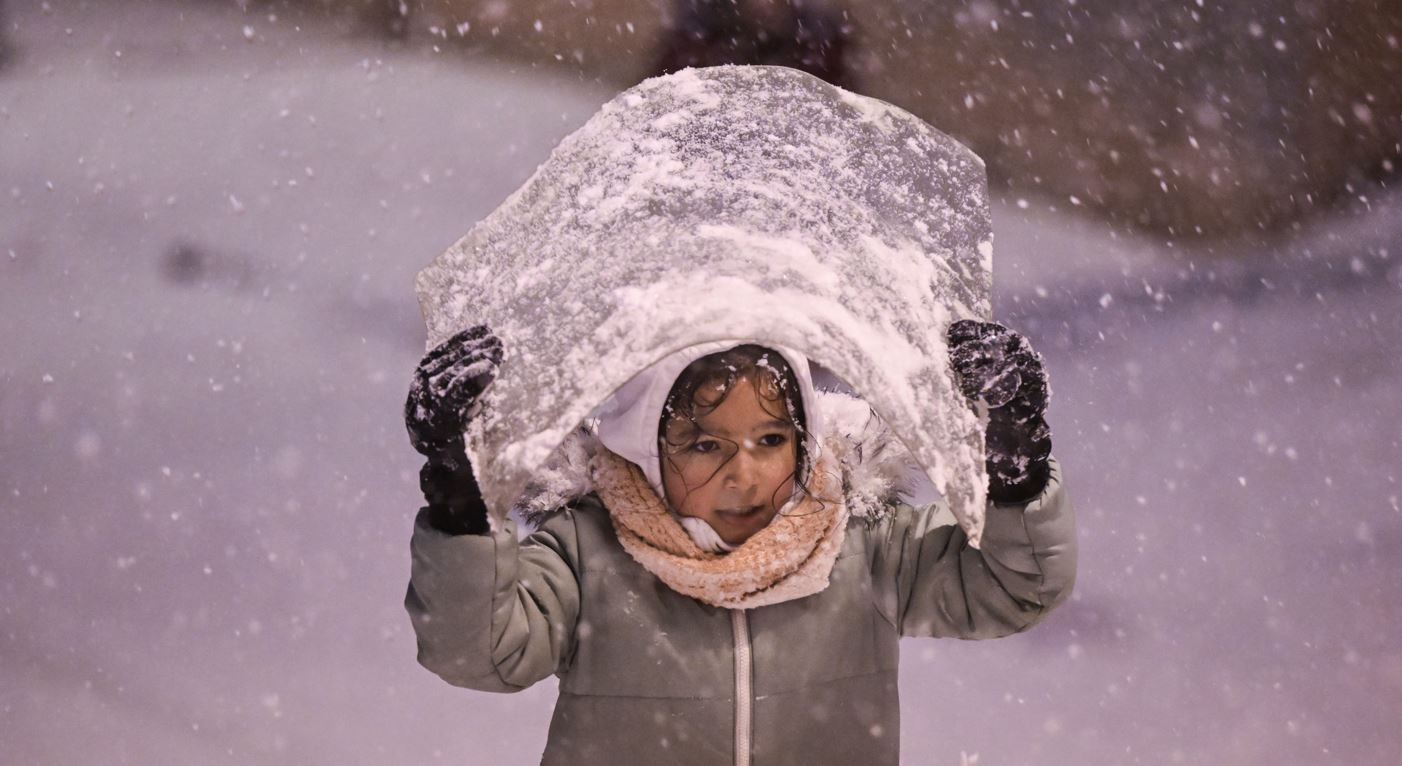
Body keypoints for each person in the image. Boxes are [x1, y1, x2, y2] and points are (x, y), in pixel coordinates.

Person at [402, 320, 1076, 764]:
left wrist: (1015, 463)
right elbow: (480, 652)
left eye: (772, 439)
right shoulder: (590, 554)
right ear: (646, 448)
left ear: (805, 440)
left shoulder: (861, 545)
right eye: (704, 445)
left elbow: (1015, 586)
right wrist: (460, 497)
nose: (744, 475)